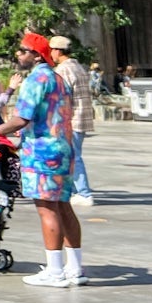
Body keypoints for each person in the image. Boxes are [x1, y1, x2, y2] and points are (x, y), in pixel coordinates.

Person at [0, 33, 85, 288]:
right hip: (63, 149)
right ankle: (75, 268)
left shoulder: (36, 79)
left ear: (36, 55)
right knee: (64, 207)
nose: (18, 54)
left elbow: (21, 118)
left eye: (23, 50)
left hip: (42, 154)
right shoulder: (58, 78)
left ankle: (55, 271)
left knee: (47, 209)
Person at [49, 37, 95, 207]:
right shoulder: (78, 66)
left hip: (71, 119)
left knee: (73, 156)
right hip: (82, 117)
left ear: (58, 51)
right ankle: (74, 190)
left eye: (52, 50)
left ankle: (84, 192)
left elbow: (62, 98)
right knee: (72, 155)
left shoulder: (63, 70)